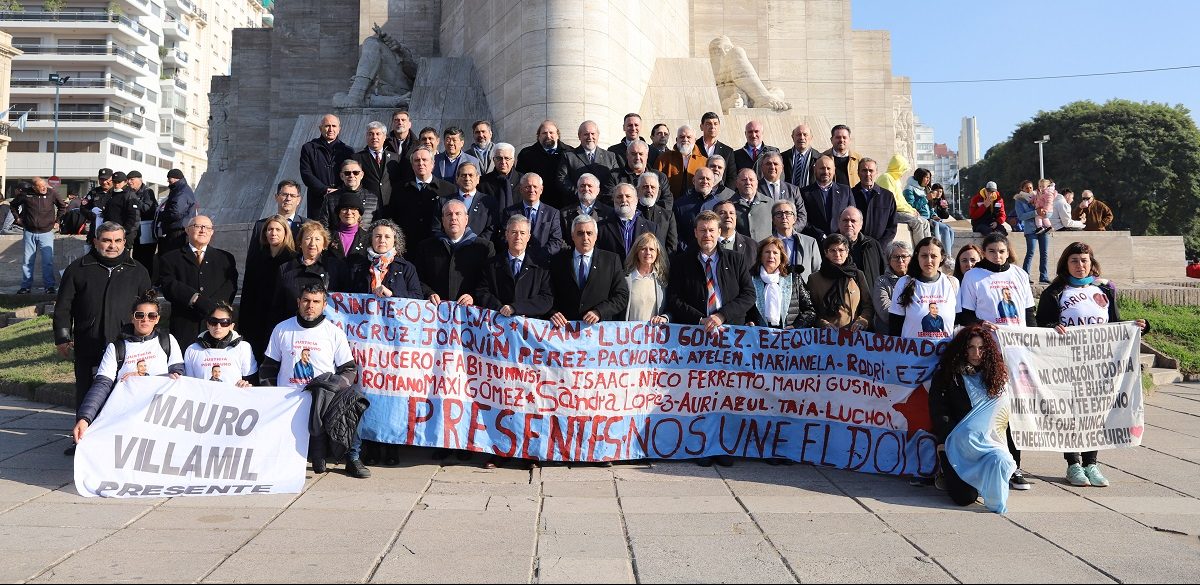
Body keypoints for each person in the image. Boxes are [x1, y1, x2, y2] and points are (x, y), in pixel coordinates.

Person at [1036, 241, 1149, 488]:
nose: (1080, 265)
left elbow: (1115, 326)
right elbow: (1039, 326)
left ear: (1092, 263)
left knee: (1094, 414)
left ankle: (1092, 463)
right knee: (1071, 415)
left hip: (1097, 364)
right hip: (1066, 364)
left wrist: (1138, 326)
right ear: (1066, 263)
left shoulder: (1104, 291)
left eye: (1084, 260)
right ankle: (1073, 463)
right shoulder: (1054, 293)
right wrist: (1051, 328)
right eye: (1074, 260)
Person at [55, 222, 153, 452]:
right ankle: (82, 441)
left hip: (126, 344)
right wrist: (62, 336)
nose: (113, 245)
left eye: (118, 240)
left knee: (124, 391)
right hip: (89, 340)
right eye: (107, 240)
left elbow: (149, 307)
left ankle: (119, 441)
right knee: (87, 390)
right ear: (96, 241)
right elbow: (63, 307)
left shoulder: (137, 270)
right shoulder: (78, 269)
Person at [261, 283, 369, 478]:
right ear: (298, 302)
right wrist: (270, 395)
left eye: (316, 302)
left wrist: (333, 386)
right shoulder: (282, 329)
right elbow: (268, 367)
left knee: (355, 401)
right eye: (306, 301)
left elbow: (349, 369)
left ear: (324, 305)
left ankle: (353, 458)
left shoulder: (333, 332)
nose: (310, 306)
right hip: (289, 399)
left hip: (323, 397)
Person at [957, 232, 1035, 491]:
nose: (997, 256)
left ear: (1008, 251)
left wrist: (1035, 345)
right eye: (991, 251)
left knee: (1017, 412)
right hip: (988, 353)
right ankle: (991, 463)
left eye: (1001, 251)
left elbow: (1028, 314)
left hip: (1017, 353)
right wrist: (980, 325)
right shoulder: (973, 277)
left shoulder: (1019, 275)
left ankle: (1015, 466)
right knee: (994, 412)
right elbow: (965, 315)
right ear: (984, 252)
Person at [71, 292, 185, 447]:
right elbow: (102, 385)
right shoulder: (117, 347)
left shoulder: (167, 341)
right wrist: (84, 418)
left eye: (151, 315)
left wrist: (143, 377)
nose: (145, 319)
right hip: (127, 416)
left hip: (160, 416)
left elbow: (179, 375)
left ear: (157, 319)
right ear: (132, 317)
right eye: (140, 315)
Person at [928, 324, 1017, 512]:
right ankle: (946, 465)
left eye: (981, 348)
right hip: (958, 445)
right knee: (965, 498)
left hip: (989, 446)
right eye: (971, 347)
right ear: (963, 348)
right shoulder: (948, 376)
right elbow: (939, 411)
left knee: (1001, 461)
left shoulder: (996, 378)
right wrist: (952, 436)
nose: (976, 353)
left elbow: (1003, 419)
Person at [157, 215, 239, 343]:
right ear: (187, 230)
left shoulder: (225, 258)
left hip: (216, 324)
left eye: (207, 227)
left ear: (212, 232)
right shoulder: (170, 258)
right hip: (185, 325)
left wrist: (213, 307)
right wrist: (195, 299)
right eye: (197, 226)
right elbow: (169, 285)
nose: (202, 230)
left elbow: (230, 285)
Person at [548, 214, 630, 327]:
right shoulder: (558, 260)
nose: (585, 238)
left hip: (598, 330)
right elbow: (547, 293)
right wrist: (552, 312)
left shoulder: (611, 260)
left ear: (596, 236)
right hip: (565, 331)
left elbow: (622, 296)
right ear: (572, 236)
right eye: (580, 233)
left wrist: (599, 312)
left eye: (589, 233)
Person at [413, 199, 495, 305]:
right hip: (435, 312)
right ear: (442, 220)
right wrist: (428, 293)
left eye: (458, 214)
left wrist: (473, 296)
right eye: (449, 214)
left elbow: (489, 282)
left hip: (469, 313)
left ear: (466, 219)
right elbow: (417, 278)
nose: (453, 218)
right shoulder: (426, 247)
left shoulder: (484, 248)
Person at [475, 214, 555, 320]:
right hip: (498, 325)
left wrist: (516, 308)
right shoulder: (491, 265)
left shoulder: (541, 266)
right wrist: (501, 309)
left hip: (529, 329)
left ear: (528, 237)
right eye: (514, 232)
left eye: (522, 233)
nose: (518, 237)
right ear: (506, 235)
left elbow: (546, 299)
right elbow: (482, 291)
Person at [240, 215, 296, 360]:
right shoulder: (257, 258)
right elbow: (247, 292)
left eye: (278, 229)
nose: (273, 233)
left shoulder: (293, 260)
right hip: (257, 318)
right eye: (270, 229)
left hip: (282, 320)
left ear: (285, 232)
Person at [273, 221, 349, 327]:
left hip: (326, 329)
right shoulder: (285, 269)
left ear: (324, 244)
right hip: (292, 328)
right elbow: (277, 306)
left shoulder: (335, 267)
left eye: (317, 239)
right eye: (308, 238)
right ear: (300, 243)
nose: (312, 243)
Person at [889, 237, 957, 339]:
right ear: (917, 257)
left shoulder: (952, 283)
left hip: (944, 352)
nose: (929, 261)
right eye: (924, 256)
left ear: (942, 257)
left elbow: (958, 322)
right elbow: (895, 324)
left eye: (934, 256)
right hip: (912, 352)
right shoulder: (903, 283)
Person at [746, 236, 815, 330]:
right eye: (767, 252)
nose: (771, 256)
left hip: (789, 338)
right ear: (760, 256)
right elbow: (745, 310)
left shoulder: (793, 278)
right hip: (759, 339)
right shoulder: (750, 279)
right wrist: (749, 322)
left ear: (781, 257)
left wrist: (796, 326)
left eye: (775, 253)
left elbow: (810, 311)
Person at [12, 177, 66, 294]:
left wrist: (58, 221)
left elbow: (62, 207)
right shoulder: (26, 194)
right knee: (27, 261)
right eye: (41, 186)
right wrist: (17, 218)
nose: (44, 188)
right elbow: (13, 205)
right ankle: (25, 287)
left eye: (45, 186)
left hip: (46, 232)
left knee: (47, 261)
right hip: (29, 231)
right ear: (34, 187)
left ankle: (49, 286)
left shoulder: (52, 193)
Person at [807, 233, 872, 331]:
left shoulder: (857, 275)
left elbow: (868, 305)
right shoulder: (814, 279)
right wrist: (823, 323)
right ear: (825, 253)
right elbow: (811, 310)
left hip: (854, 336)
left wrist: (862, 321)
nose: (837, 254)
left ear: (847, 252)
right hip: (826, 337)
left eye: (841, 250)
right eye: (832, 250)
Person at [184, 302, 257, 387]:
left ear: (231, 326)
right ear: (208, 324)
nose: (218, 326)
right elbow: (188, 384)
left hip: (234, 398)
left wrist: (247, 384)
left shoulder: (243, 347)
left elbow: (252, 380)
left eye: (224, 322)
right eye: (214, 322)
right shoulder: (192, 350)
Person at [392, 147, 455, 245]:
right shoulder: (399, 189)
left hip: (437, 245)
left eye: (424, 160)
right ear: (412, 165)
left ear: (433, 164)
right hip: (407, 246)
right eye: (417, 160)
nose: (421, 163)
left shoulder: (448, 190)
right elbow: (394, 217)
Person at [298, 115, 354, 219]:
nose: (331, 129)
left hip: (340, 200)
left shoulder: (348, 151)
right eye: (327, 126)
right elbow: (306, 173)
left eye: (334, 126)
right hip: (317, 201)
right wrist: (325, 190)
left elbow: (351, 174)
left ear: (339, 129)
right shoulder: (309, 148)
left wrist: (339, 191)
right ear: (320, 128)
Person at [354, 121, 405, 222]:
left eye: (378, 134)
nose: (374, 137)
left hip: (391, 207)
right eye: (371, 134)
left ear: (384, 137)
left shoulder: (395, 158)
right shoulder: (357, 158)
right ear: (366, 136)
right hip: (367, 209)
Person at [557, 120, 621, 200]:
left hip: (604, 205)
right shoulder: (569, 156)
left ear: (598, 135)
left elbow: (616, 179)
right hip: (576, 203)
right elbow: (562, 179)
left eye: (593, 134)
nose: (590, 137)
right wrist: (581, 194)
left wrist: (602, 195)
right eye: (586, 134)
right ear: (579, 136)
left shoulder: (610, 156)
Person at [515, 120, 573, 208]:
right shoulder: (526, 155)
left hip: (565, 205)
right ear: (538, 136)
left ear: (557, 135)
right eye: (544, 133)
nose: (548, 136)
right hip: (537, 205)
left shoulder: (570, 153)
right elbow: (521, 180)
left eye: (551, 132)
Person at [596, 183, 656, 263]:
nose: (624, 200)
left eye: (628, 196)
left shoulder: (651, 228)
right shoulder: (601, 227)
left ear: (636, 200)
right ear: (614, 200)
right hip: (612, 274)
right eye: (619, 197)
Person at [800, 155, 854, 242]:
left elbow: (852, 215)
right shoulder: (804, 192)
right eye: (822, 168)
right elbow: (803, 219)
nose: (825, 171)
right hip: (816, 241)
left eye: (828, 168)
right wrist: (819, 234)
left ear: (834, 170)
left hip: (841, 242)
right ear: (815, 170)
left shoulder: (845, 191)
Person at [879, 154, 930, 245]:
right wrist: (909, 211)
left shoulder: (896, 180)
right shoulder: (886, 178)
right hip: (890, 212)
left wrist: (912, 209)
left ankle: (928, 249)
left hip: (900, 210)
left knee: (925, 222)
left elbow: (902, 200)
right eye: (903, 170)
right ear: (898, 168)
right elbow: (892, 202)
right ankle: (919, 252)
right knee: (917, 222)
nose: (903, 173)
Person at [768, 199, 821, 283]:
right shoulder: (766, 244)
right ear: (773, 220)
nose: (784, 217)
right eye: (779, 214)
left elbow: (817, 271)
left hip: (803, 291)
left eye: (788, 213)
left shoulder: (810, 243)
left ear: (794, 218)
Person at [623, 231, 669, 324]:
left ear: (657, 253)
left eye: (652, 249)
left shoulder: (662, 280)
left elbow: (670, 309)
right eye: (643, 249)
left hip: (654, 336)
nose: (648, 252)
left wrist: (665, 318)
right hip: (628, 336)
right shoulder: (625, 278)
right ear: (637, 252)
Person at [850, 158, 897, 244]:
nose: (867, 174)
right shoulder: (850, 195)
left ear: (876, 172)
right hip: (855, 246)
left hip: (879, 248)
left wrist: (880, 247)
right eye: (864, 170)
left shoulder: (887, 196)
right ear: (858, 173)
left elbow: (892, 227)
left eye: (871, 171)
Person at [652, 125, 708, 197]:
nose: (685, 139)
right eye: (681, 137)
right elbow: (655, 182)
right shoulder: (663, 158)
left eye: (689, 137)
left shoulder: (704, 161)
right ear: (676, 139)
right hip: (670, 203)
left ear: (695, 140)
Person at [838, 207, 886, 291]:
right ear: (839, 223)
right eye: (845, 220)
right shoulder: (829, 246)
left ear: (861, 224)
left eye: (853, 221)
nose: (849, 224)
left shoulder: (873, 245)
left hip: (870, 299)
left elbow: (884, 273)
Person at [1014, 180, 1051, 284]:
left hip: (1043, 227)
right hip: (1030, 230)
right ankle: (1025, 276)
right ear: (1022, 189)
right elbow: (1021, 216)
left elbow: (1048, 210)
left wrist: (1045, 213)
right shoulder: (1019, 200)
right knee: (1030, 252)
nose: (1029, 189)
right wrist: (1035, 212)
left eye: (1030, 187)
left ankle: (1044, 276)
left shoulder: (1038, 196)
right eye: (1026, 188)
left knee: (1044, 253)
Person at [155, 169, 197, 255]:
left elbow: (176, 213)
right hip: (177, 229)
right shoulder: (179, 189)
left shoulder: (181, 191)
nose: (168, 180)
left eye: (169, 178)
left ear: (176, 178)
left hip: (177, 231)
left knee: (172, 256)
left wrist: (161, 215)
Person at [873, 240, 911, 333]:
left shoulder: (917, 280)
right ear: (889, 260)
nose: (900, 260)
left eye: (904, 256)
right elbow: (884, 311)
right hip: (889, 335)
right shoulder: (881, 281)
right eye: (896, 257)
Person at [636, 172, 678, 253]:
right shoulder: (631, 214)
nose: (649, 190)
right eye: (645, 187)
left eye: (653, 187)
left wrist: (662, 264)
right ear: (638, 190)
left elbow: (672, 246)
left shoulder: (668, 216)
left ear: (658, 191)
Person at [321, 159, 370, 225]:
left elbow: (377, 225)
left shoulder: (372, 197)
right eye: (347, 173)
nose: (351, 176)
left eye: (356, 173)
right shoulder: (330, 198)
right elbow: (324, 226)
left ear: (362, 175)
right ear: (341, 176)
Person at [730, 168, 774, 242]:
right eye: (744, 180)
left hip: (764, 250)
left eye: (751, 180)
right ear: (736, 184)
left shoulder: (769, 203)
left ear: (757, 183)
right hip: (741, 251)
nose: (748, 182)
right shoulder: (729, 205)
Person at [712, 199, 758, 268]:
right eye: (722, 213)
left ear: (736, 217)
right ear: (714, 218)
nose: (728, 216)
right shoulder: (706, 244)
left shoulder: (752, 246)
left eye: (731, 213)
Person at [479, 142, 523, 212]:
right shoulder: (482, 182)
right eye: (499, 158)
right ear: (493, 160)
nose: (503, 162)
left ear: (513, 160)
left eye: (507, 158)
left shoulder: (523, 181)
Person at [697, 112, 736, 188]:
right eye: (708, 124)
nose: (712, 127)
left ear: (719, 127)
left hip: (720, 196)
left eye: (715, 124)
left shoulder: (727, 151)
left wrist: (726, 196)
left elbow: (731, 177)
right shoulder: (694, 147)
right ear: (701, 127)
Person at [328, 192, 370, 262]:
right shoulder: (328, 237)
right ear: (339, 213)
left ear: (359, 213)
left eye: (353, 208)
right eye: (344, 208)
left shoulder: (368, 238)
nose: (349, 212)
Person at [781, 123, 821, 188]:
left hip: (810, 196)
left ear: (811, 137)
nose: (802, 137)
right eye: (798, 134)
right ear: (792, 137)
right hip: (789, 196)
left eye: (805, 135)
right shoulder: (782, 157)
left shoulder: (819, 158)